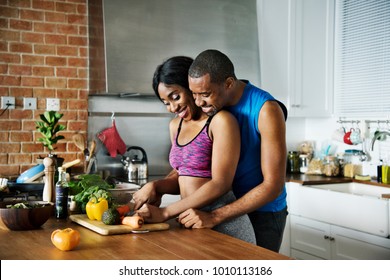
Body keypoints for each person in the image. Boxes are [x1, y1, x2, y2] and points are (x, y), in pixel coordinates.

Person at [133, 56, 256, 244]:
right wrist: (156, 186)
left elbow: (220, 183)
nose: (173, 107)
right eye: (166, 102)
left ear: (191, 87)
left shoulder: (220, 122)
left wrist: (166, 212)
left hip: (222, 222)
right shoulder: (175, 126)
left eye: (175, 97)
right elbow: (184, 175)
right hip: (192, 222)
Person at [177, 49, 288, 252]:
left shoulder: (266, 110)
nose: (198, 102)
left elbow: (273, 185)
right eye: (194, 94)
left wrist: (215, 216)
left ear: (228, 84)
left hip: (261, 213)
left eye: (205, 94)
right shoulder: (214, 106)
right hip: (223, 207)